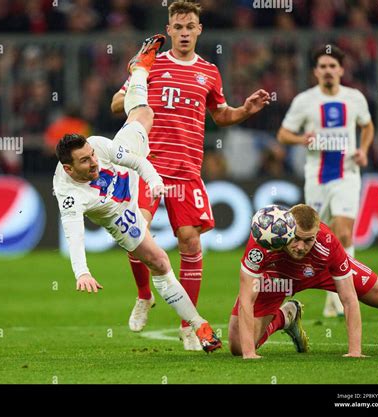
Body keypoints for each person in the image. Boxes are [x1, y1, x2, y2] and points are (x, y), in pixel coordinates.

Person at [111, 0, 270, 350]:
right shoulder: (151, 65)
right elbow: (114, 104)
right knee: (135, 235)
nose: (184, 33)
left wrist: (245, 109)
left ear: (199, 30)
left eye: (190, 27)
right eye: (178, 27)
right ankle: (143, 296)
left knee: (191, 242)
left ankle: (188, 326)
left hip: (186, 172)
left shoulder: (209, 72)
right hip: (147, 165)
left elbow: (221, 114)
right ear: (169, 30)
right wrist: (137, 88)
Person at [53, 34, 222, 353]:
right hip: (117, 213)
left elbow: (135, 160)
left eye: (91, 155)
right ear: (69, 169)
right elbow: (74, 234)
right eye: (85, 161)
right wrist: (82, 272)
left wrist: (154, 180)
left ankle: (139, 69)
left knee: (144, 114)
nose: (93, 163)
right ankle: (147, 296)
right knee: (158, 260)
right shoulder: (70, 195)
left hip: (131, 175)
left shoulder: (99, 147)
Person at [228, 204, 378, 359]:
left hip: (321, 271)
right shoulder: (265, 241)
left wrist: (354, 351)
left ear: (317, 233)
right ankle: (286, 316)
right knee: (238, 346)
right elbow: (246, 298)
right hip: (277, 279)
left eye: (308, 240)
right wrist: (249, 353)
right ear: (287, 230)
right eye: (296, 239)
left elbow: (348, 298)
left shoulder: (328, 243)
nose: (301, 247)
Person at [277, 45, 375, 318]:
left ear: (341, 70)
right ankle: (333, 296)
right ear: (315, 71)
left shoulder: (354, 98)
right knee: (322, 236)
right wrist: (301, 139)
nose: (328, 71)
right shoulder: (305, 101)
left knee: (344, 233)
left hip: (347, 174)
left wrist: (364, 150)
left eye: (333, 66)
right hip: (317, 177)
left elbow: (367, 126)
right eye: (323, 66)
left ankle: (348, 295)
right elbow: (283, 134)